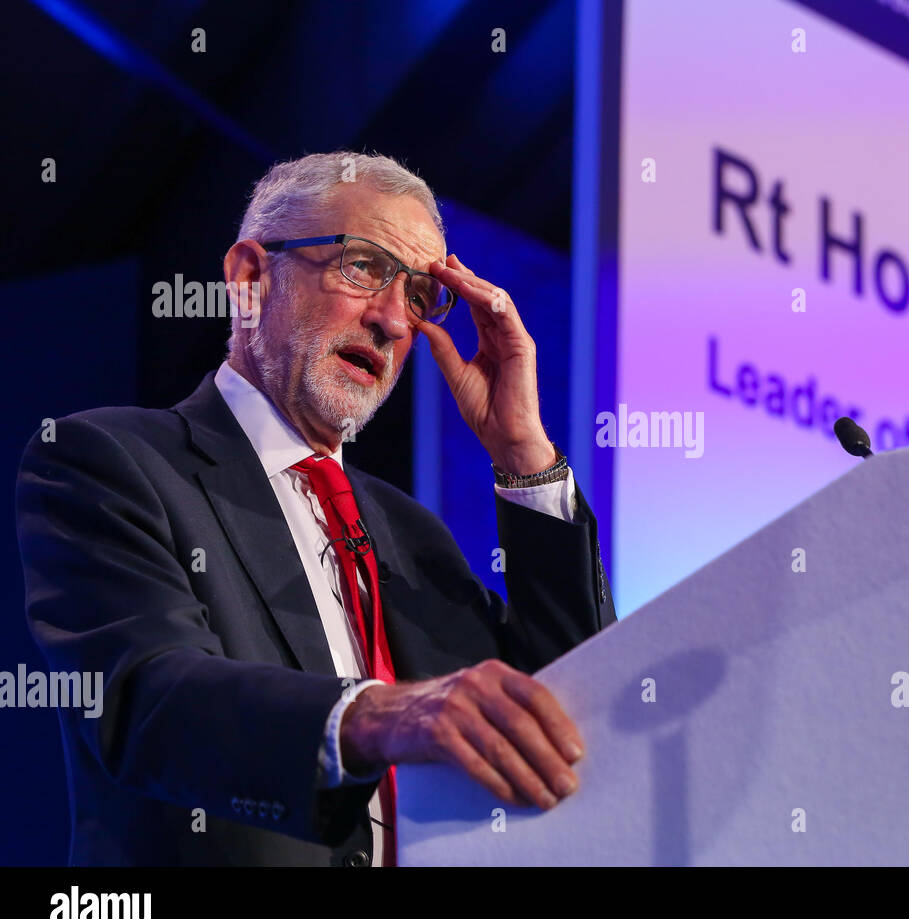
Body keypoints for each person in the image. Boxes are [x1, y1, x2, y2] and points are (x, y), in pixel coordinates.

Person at [15, 151, 615, 866]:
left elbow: (573, 713)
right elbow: (148, 701)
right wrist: (378, 715)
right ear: (249, 277)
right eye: (363, 266)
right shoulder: (110, 463)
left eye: (421, 295)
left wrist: (523, 453)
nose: (396, 321)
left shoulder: (414, 536)